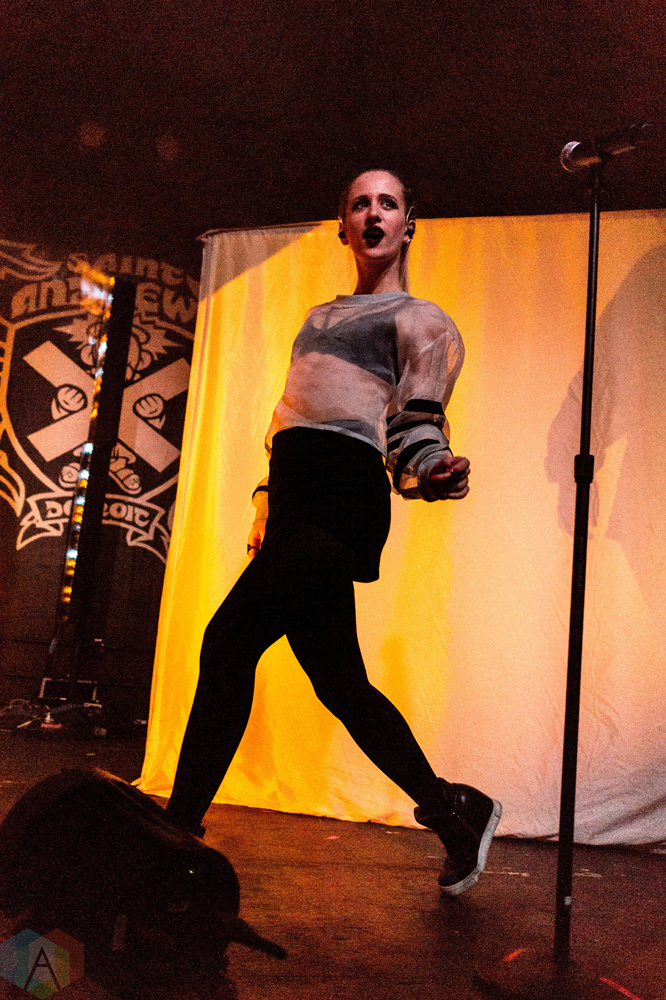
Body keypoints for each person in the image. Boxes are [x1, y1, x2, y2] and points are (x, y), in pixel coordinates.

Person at [165, 168, 502, 895]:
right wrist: (264, 509)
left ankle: (174, 831)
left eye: (388, 203)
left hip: (342, 497)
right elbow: (288, 418)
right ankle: (454, 811)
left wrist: (433, 469)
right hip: (295, 499)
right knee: (340, 683)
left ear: (408, 223)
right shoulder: (317, 318)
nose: (373, 213)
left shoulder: (421, 319)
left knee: (227, 642)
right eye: (360, 204)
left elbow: (414, 424)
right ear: (342, 226)